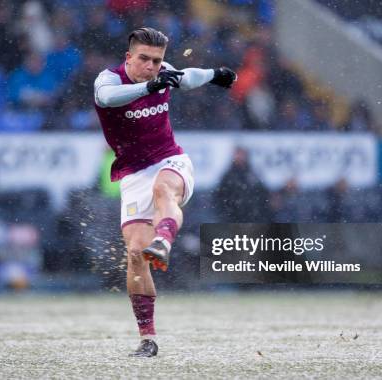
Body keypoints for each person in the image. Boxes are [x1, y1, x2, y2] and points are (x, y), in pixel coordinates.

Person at [93, 27, 236, 357]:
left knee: (163, 191)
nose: (151, 66)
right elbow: (106, 100)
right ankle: (148, 339)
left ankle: (165, 239)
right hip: (131, 175)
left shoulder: (164, 73)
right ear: (128, 57)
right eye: (143, 59)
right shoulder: (108, 80)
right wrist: (149, 85)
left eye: (156, 61)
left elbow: (189, 76)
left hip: (171, 161)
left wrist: (217, 75)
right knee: (135, 254)